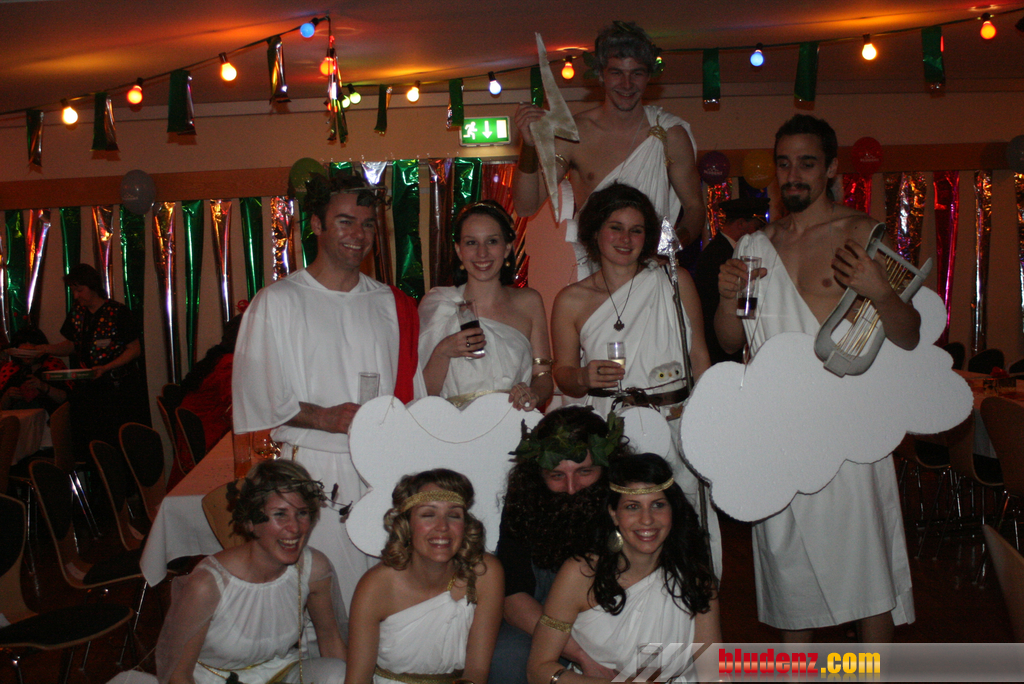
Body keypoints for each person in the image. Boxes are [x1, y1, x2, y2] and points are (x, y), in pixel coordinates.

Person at [715, 114, 919, 643]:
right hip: (779, 432)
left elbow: (909, 335)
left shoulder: (862, 234)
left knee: (868, 577)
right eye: (784, 164)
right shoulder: (755, 245)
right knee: (791, 581)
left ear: (830, 168)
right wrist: (726, 298)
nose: (793, 175)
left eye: (806, 163)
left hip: (849, 428)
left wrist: (882, 291)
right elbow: (732, 341)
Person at [233, 173, 426, 611]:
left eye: (368, 224)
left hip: (383, 470)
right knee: (327, 597)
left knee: (387, 597)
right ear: (316, 225)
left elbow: (412, 397)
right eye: (345, 221)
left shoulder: (392, 304)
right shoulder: (278, 301)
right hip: (312, 471)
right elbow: (257, 395)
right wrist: (323, 417)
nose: (359, 234)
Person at [549, 183, 719, 575]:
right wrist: (584, 376)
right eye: (616, 227)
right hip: (614, 435)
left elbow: (700, 357)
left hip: (678, 427)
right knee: (621, 541)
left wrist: (710, 426)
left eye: (636, 230)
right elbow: (563, 375)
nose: (626, 239)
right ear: (595, 231)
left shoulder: (674, 281)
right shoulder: (571, 300)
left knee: (684, 535)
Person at [513, 21, 704, 276]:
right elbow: (526, 205)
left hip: (653, 272)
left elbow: (695, 208)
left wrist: (669, 246)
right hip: (596, 278)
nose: (627, 84)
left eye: (636, 73)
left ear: (649, 77)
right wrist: (528, 145)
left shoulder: (669, 135)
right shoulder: (574, 135)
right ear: (601, 75)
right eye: (616, 73)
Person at [527, 453, 720, 684]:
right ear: (614, 514)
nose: (647, 520)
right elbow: (538, 670)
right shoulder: (580, 574)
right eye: (632, 507)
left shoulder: (694, 577)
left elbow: (713, 672)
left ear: (673, 511)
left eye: (658, 505)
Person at [155, 459, 347, 684]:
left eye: (302, 513)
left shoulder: (313, 569)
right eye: (280, 514)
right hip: (215, 680)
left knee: (338, 673)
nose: (295, 527)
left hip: (281, 672)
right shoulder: (208, 585)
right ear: (250, 522)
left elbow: (330, 638)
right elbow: (178, 675)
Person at [491, 406, 629, 684]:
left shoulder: (631, 502)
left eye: (584, 472)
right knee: (506, 660)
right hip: (539, 619)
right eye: (556, 476)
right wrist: (581, 655)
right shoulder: (524, 503)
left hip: (616, 612)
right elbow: (513, 597)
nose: (571, 487)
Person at [346, 469, 503, 684]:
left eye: (454, 515)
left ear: (465, 525)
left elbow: (477, 670)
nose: (443, 527)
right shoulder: (376, 585)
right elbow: (358, 680)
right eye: (428, 515)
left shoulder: (485, 574)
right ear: (407, 524)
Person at [419, 201, 553, 410]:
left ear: (507, 247)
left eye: (492, 241)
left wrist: (533, 393)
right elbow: (422, 394)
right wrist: (443, 351)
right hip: (453, 424)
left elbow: (543, 376)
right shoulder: (439, 304)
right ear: (459, 250)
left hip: (513, 421)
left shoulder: (529, 302)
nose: (482, 253)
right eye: (471, 243)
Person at [31, 263, 147, 457]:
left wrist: (106, 367)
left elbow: (134, 350)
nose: (76, 296)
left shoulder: (117, 312)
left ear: (92, 286)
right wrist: (44, 349)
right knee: (91, 443)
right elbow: (72, 345)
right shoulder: (78, 313)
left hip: (117, 391)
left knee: (118, 445)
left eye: (79, 290)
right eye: (73, 291)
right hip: (88, 391)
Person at [693, 197, 768, 365]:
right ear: (741, 224)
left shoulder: (718, 250)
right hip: (721, 352)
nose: (759, 234)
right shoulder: (719, 255)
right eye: (756, 228)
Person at [179, 315, 242, 453]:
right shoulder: (228, 364)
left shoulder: (220, 358)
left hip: (205, 438)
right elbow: (237, 411)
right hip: (210, 443)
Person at [2, 327, 69, 413]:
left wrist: (43, 387)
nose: (27, 350)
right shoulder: (13, 372)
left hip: (49, 418)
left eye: (31, 346)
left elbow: (67, 400)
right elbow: (2, 408)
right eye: (23, 350)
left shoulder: (52, 368)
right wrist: (7, 396)